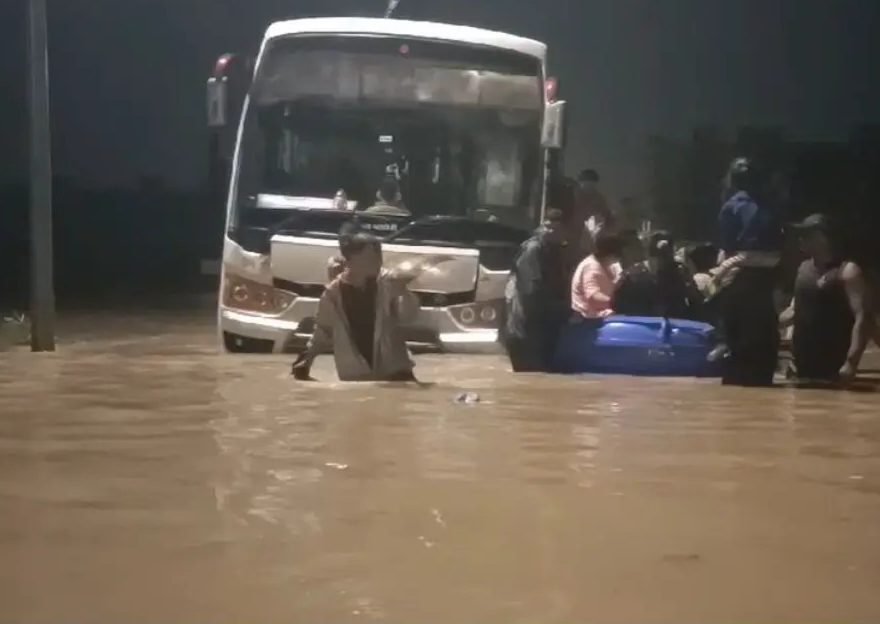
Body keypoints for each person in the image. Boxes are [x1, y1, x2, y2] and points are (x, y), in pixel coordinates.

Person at [291, 226, 419, 382]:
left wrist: (404, 293)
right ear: (350, 260)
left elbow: (408, 317)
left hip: (396, 373)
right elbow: (323, 331)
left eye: (379, 256)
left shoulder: (389, 283)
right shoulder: (333, 293)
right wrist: (306, 360)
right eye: (370, 258)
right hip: (355, 375)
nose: (377, 263)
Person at [778, 214, 874, 383]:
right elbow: (795, 311)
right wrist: (768, 326)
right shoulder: (803, 269)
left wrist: (851, 363)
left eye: (806, 234)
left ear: (822, 238)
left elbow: (863, 318)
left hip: (834, 370)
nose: (800, 239)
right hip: (800, 368)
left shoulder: (848, 272)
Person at [715, 157, 784, 386]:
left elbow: (727, 247)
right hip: (762, 277)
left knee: (738, 340)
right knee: (762, 339)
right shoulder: (772, 204)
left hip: (741, 275)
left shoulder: (732, 206)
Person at [500, 205, 574, 372]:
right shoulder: (533, 250)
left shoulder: (553, 249)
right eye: (559, 230)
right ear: (549, 228)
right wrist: (560, 310)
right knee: (530, 377)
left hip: (541, 327)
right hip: (528, 330)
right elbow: (531, 290)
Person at [613, 231, 702, 319]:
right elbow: (620, 306)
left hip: (675, 323)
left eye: (665, 256)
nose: (660, 263)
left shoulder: (680, 271)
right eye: (659, 257)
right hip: (643, 324)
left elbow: (694, 299)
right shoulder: (634, 274)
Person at [571, 231, 623, 319]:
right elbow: (593, 296)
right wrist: (615, 302)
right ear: (610, 254)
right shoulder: (591, 266)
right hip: (589, 317)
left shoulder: (604, 265)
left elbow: (605, 288)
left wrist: (618, 282)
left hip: (599, 313)